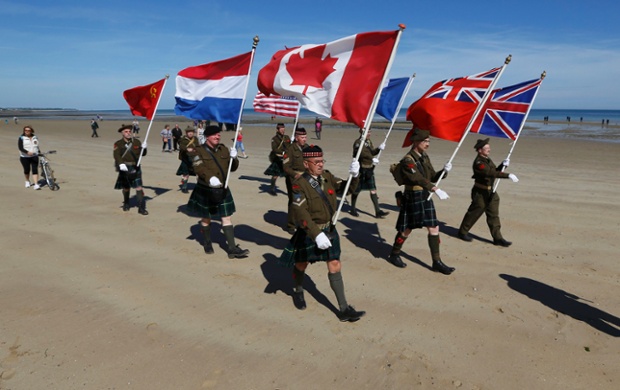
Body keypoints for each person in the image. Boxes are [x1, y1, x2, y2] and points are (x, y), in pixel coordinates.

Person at [279, 145, 365, 322]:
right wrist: (316, 234)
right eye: (316, 162)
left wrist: (355, 176)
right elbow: (300, 212)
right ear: (306, 163)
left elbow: (347, 189)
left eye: (322, 160)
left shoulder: (327, 176)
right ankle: (298, 290)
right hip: (309, 231)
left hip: (329, 229)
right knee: (301, 264)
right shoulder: (299, 184)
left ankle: (343, 309)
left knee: (334, 263)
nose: (320, 164)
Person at [386, 128, 454, 274]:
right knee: (407, 229)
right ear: (416, 142)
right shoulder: (407, 160)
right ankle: (394, 254)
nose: (428, 144)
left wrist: (444, 171)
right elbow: (416, 178)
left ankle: (437, 261)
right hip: (413, 196)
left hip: (425, 195)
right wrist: (435, 189)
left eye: (428, 141)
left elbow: (431, 176)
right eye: (425, 141)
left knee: (434, 227)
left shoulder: (424, 156)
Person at [187, 125, 249, 259]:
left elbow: (232, 169)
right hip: (206, 189)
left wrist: (235, 158)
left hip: (222, 188)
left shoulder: (224, 149)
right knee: (206, 218)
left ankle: (232, 248)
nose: (218, 137)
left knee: (226, 217)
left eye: (219, 134)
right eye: (214, 135)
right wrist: (210, 178)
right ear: (207, 137)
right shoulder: (198, 151)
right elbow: (199, 168)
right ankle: (207, 242)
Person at [457, 138, 519, 247]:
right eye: (486, 148)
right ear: (480, 150)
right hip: (480, 192)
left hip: (491, 191)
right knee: (474, 213)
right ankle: (462, 232)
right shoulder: (479, 162)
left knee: (493, 215)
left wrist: (503, 165)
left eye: (489, 147)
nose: (489, 149)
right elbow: (489, 173)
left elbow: (494, 171)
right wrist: (507, 175)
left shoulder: (487, 159)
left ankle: (497, 238)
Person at [349, 128, 389, 219]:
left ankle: (378, 211)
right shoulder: (358, 143)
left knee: (373, 189)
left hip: (369, 169)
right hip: (361, 169)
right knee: (356, 190)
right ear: (362, 132)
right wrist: (372, 159)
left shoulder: (368, 142)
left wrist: (379, 149)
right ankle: (352, 208)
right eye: (367, 132)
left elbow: (372, 152)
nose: (369, 134)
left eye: (370, 132)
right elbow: (362, 154)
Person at [113, 124, 149, 215]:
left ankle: (141, 208)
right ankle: (126, 203)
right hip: (124, 167)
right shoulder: (118, 143)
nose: (128, 133)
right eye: (126, 132)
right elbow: (116, 155)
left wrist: (144, 148)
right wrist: (121, 163)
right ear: (122, 133)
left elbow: (142, 154)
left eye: (129, 131)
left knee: (139, 187)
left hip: (136, 167)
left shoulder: (136, 142)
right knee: (126, 187)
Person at [282, 127, 309, 234]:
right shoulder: (290, 149)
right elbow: (286, 166)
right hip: (294, 180)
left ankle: (302, 222)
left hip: (305, 178)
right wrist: (295, 175)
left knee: (306, 202)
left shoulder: (307, 148)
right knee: (295, 201)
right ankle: (291, 225)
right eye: (302, 137)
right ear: (297, 137)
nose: (305, 139)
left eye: (305, 137)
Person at [263, 123, 291, 196]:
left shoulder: (287, 137)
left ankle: (290, 191)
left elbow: (290, 146)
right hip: (277, 158)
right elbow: (274, 149)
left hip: (286, 159)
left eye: (283, 129)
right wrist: (283, 152)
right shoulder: (274, 139)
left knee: (288, 175)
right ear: (277, 129)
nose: (283, 130)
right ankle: (272, 188)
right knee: (275, 175)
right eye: (281, 129)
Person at [18, 125, 41, 190]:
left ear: (31, 131)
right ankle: (27, 181)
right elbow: (20, 147)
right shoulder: (21, 138)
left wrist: (39, 152)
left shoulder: (35, 137)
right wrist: (27, 152)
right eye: (25, 130)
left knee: (35, 170)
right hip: (25, 157)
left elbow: (37, 146)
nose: (27, 131)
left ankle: (36, 184)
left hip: (34, 156)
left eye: (28, 130)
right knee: (27, 170)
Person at [176, 126, 198, 193]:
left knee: (199, 173)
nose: (190, 133)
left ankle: (200, 188)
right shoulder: (183, 139)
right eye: (189, 132)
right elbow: (181, 146)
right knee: (185, 174)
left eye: (191, 132)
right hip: (185, 159)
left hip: (194, 159)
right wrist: (187, 149)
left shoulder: (195, 139)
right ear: (186, 133)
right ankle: (184, 187)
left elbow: (198, 146)